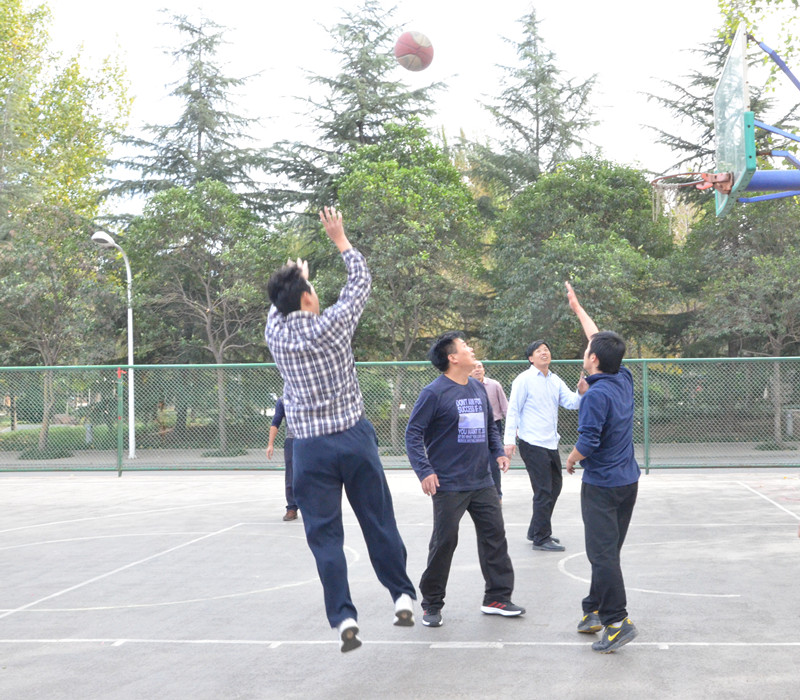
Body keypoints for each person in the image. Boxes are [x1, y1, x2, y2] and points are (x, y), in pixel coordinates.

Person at [264, 207, 416, 653]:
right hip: (352, 437)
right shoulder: (333, 325)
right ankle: (401, 596)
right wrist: (340, 239)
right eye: (311, 290)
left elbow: (277, 311)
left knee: (325, 537)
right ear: (308, 300)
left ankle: (344, 617)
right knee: (378, 521)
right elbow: (360, 282)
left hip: (309, 448)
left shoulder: (277, 336)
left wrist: (295, 280)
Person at [405, 331, 525, 628]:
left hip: (482, 480)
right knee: (444, 542)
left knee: (495, 538)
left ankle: (497, 598)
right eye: (464, 346)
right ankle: (432, 603)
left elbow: (490, 426)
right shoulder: (434, 393)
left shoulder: (477, 388)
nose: (471, 349)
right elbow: (413, 433)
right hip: (448, 483)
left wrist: (497, 452)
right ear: (452, 358)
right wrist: (425, 470)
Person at [564, 281, 640, 654]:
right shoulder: (622, 378)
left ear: (593, 359)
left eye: (587, 350)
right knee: (607, 550)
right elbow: (596, 337)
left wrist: (570, 458)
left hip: (603, 486)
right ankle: (592, 610)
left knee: (602, 553)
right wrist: (578, 308)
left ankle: (617, 621)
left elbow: (588, 443)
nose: (586, 349)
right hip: (627, 482)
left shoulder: (595, 395)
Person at [504, 340, 585, 552]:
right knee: (543, 490)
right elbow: (513, 410)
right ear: (531, 358)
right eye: (539, 351)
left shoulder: (555, 380)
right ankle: (541, 538)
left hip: (550, 442)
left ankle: (535, 529)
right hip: (532, 443)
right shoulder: (523, 380)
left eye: (546, 350)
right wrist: (509, 441)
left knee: (555, 487)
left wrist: (580, 392)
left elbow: (571, 403)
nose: (544, 353)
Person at [470, 361, 509, 500]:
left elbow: (505, 407)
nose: (477, 370)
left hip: (494, 426)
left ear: (484, 370)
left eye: (479, 367)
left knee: (493, 463)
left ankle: (497, 495)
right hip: (473, 426)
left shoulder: (494, 385)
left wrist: (513, 428)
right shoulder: (464, 386)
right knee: (474, 461)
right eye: (474, 368)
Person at [266, 396, 299, 521]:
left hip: (310, 439)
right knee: (290, 475)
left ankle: (314, 507)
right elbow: (276, 422)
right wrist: (270, 444)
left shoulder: (310, 395)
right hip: (292, 440)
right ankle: (291, 508)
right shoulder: (283, 400)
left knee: (313, 474)